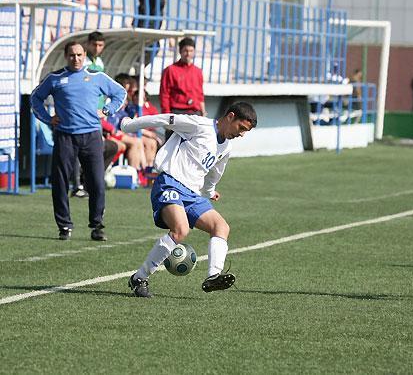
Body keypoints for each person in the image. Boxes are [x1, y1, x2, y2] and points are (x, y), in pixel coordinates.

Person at [122, 102, 258, 298]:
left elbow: (215, 172)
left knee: (221, 227)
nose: (241, 134)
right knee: (181, 230)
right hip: (170, 183)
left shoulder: (226, 146)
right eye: (241, 128)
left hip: (192, 194)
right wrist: (128, 125)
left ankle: (213, 276)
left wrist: (210, 191)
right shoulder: (199, 125)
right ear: (230, 117)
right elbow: (165, 119)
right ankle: (140, 278)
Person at [31, 41, 127, 241]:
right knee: (60, 183)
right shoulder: (55, 78)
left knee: (97, 183)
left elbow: (120, 93)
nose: (76, 58)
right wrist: (48, 118)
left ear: (84, 55)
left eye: (79, 55)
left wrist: (107, 110)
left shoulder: (97, 76)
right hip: (65, 137)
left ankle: (97, 226)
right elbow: (35, 99)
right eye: (72, 55)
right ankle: (64, 226)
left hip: (92, 136)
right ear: (66, 56)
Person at [72, 31, 109, 198]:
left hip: (96, 114)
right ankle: (77, 185)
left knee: (94, 150)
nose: (97, 48)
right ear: (88, 44)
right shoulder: (82, 62)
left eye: (101, 45)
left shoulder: (99, 62)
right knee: (78, 150)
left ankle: (89, 184)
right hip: (82, 113)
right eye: (95, 44)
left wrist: (104, 108)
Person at [159, 37, 207, 116]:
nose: (188, 54)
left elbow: (200, 94)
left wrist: (203, 111)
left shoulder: (198, 71)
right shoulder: (170, 70)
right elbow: (164, 95)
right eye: (186, 51)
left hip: (195, 112)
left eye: (191, 51)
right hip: (177, 112)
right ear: (180, 51)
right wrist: (166, 115)